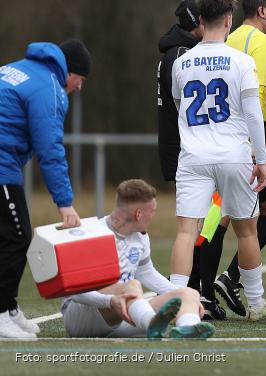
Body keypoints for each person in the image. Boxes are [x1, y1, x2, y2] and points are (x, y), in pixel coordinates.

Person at [169, 0, 266, 322]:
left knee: (187, 231)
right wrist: (262, 161)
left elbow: (179, 105)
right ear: (229, 21)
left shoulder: (181, 62)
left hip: (193, 155)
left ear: (200, 22)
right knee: (246, 229)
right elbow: (251, 116)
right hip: (233, 154)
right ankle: (256, 303)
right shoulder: (241, 61)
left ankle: (177, 303)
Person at [0, 39, 89, 340]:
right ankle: (1, 313)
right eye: (81, 80)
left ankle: (9, 308)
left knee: (13, 235)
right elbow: (50, 149)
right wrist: (65, 203)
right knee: (17, 236)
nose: (79, 88)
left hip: (5, 161)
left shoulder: (19, 69)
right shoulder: (50, 88)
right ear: (70, 72)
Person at [61, 180, 212, 339]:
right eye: (152, 211)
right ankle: (151, 322)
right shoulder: (91, 235)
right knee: (132, 286)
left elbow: (147, 273)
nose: (154, 215)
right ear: (138, 214)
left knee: (188, 294)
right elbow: (75, 293)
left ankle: (188, 329)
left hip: (122, 315)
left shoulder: (140, 237)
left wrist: (187, 299)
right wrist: (110, 301)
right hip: (81, 319)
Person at [214, 0, 266, 316]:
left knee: (222, 213)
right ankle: (231, 278)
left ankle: (203, 284)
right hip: (257, 132)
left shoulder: (226, 40)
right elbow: (258, 95)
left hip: (223, 132)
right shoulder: (264, 42)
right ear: (261, 11)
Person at [156, 0, 226, 320]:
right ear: (198, 22)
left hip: (184, 149)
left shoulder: (174, 55)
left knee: (199, 226)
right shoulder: (185, 56)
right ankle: (196, 294)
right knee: (202, 227)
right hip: (193, 151)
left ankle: (197, 292)